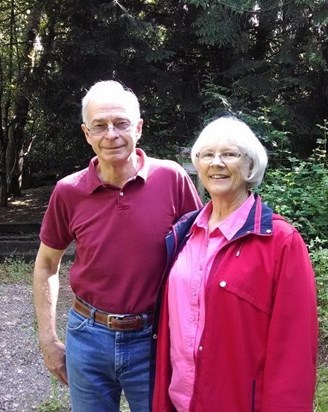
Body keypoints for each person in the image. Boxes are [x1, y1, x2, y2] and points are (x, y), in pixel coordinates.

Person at [33, 80, 202, 412]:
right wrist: (48, 340)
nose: (111, 134)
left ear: (138, 128)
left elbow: (201, 256)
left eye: (121, 123)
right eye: (100, 126)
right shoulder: (68, 191)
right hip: (88, 336)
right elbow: (45, 265)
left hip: (154, 338)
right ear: (87, 134)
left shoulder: (171, 179)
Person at [151, 116, 318, 412]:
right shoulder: (183, 233)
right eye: (207, 154)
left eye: (229, 154)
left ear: (250, 165)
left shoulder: (281, 242)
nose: (216, 163)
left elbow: (294, 353)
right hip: (178, 401)